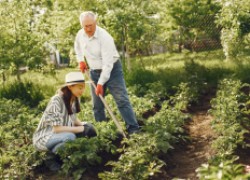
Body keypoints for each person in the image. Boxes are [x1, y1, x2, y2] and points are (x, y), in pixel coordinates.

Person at [74, 11, 140, 134]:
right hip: (94, 71)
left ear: (95, 22)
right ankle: (103, 132)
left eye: (90, 25)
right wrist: (81, 60)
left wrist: (100, 83)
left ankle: (133, 129)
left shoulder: (104, 37)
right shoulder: (80, 35)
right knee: (97, 105)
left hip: (112, 70)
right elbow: (77, 47)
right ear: (82, 25)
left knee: (121, 99)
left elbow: (108, 64)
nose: (88, 29)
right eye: (85, 26)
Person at [33, 72, 97, 171]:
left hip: (60, 135)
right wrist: (79, 128)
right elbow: (57, 129)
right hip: (46, 137)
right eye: (80, 88)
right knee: (70, 136)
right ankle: (50, 158)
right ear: (70, 87)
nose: (83, 90)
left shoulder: (74, 98)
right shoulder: (57, 100)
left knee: (88, 128)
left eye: (84, 87)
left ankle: (62, 157)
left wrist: (86, 126)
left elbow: (73, 118)